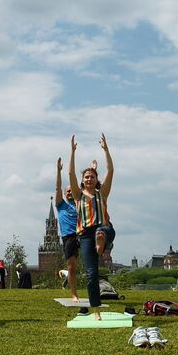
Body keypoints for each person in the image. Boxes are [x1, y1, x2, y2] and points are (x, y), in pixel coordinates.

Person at [67, 133, 116, 318]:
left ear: (96, 180)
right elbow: (71, 173)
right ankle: (96, 310)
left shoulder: (101, 194)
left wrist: (106, 149)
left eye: (92, 177)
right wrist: (72, 151)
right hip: (86, 236)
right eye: (86, 177)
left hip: (102, 228)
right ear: (83, 180)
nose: (89, 179)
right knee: (91, 273)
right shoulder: (79, 196)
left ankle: (101, 240)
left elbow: (110, 171)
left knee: (106, 230)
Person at [54, 157, 80, 300]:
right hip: (69, 236)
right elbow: (58, 187)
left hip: (82, 234)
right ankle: (74, 294)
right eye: (68, 191)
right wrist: (58, 171)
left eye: (72, 191)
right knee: (72, 267)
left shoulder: (79, 203)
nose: (70, 193)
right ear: (65, 194)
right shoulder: (61, 204)